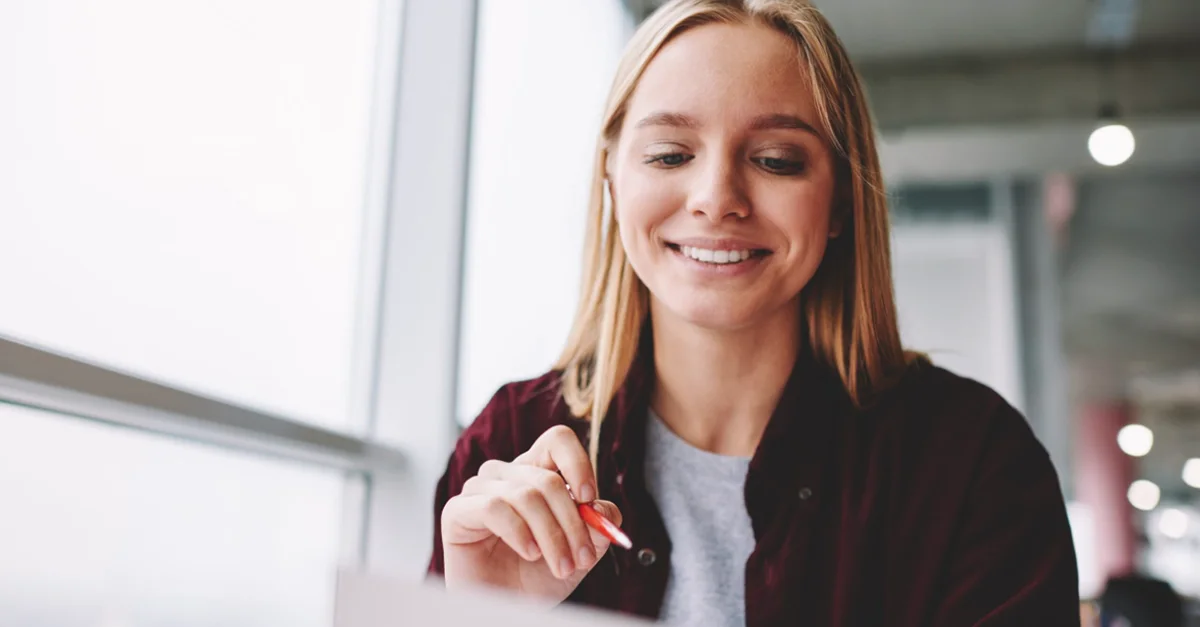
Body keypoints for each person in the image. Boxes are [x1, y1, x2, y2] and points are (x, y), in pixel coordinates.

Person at [428, 0, 1081, 625]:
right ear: (611, 177)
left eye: (775, 160)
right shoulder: (509, 445)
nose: (716, 198)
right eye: (670, 154)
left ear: (842, 201)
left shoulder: (972, 465)